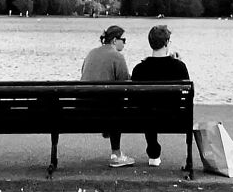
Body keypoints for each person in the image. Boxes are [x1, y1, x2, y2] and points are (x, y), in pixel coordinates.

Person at [131, 24, 190, 167]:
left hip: (144, 118)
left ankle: (153, 153)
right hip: (174, 117)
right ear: (166, 43)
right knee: (159, 108)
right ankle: (189, 159)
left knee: (147, 108)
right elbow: (188, 96)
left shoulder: (139, 69)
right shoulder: (179, 67)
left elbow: (134, 99)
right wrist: (178, 62)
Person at [80, 24, 135, 168]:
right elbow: (126, 85)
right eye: (123, 39)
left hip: (82, 109)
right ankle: (116, 154)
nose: (124, 43)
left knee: (109, 100)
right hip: (106, 112)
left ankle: (107, 130)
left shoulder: (91, 53)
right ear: (115, 40)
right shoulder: (117, 56)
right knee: (117, 103)